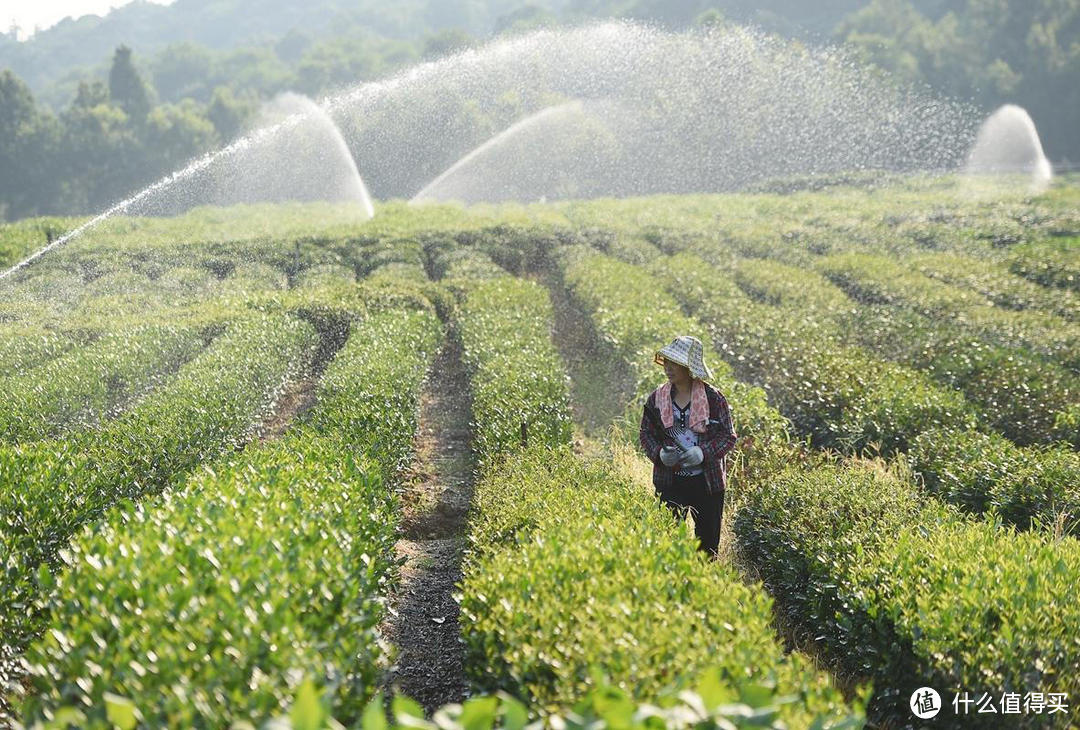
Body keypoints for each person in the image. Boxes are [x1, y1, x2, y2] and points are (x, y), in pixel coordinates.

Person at [639, 335, 737, 557]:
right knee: (668, 544)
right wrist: (659, 454)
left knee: (707, 549)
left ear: (689, 367)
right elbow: (646, 434)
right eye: (667, 362)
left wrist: (702, 453)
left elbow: (727, 436)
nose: (669, 368)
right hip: (670, 482)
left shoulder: (713, 399)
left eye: (675, 363)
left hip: (707, 484)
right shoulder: (657, 398)